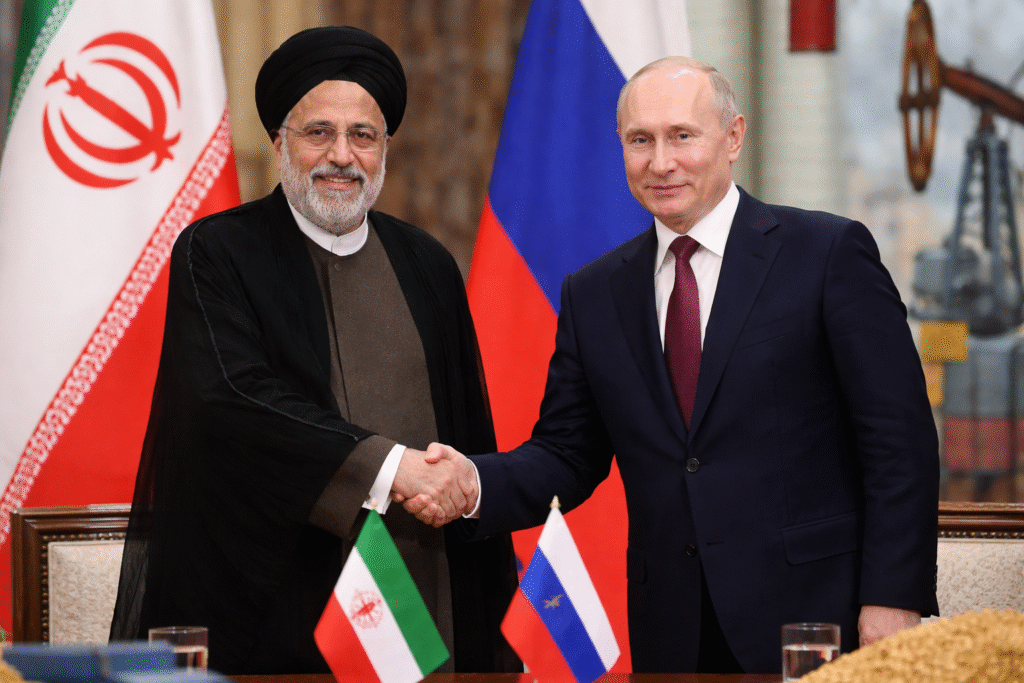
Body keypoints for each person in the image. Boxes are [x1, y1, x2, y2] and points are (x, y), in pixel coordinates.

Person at [400, 57, 940, 673]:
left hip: (814, 620)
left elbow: (899, 442)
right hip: (672, 630)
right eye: (640, 140)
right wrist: (473, 484)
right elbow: (567, 455)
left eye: (682, 136)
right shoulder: (594, 292)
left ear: (733, 137)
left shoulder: (827, 255)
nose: (661, 162)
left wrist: (892, 598)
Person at [109, 26, 520, 676]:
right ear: (279, 143)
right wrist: (392, 470)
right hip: (276, 599)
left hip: (422, 588)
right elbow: (234, 402)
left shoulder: (427, 264)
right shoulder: (219, 252)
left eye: (363, 134)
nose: (341, 155)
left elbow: (468, 428)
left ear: (386, 148)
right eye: (317, 132)